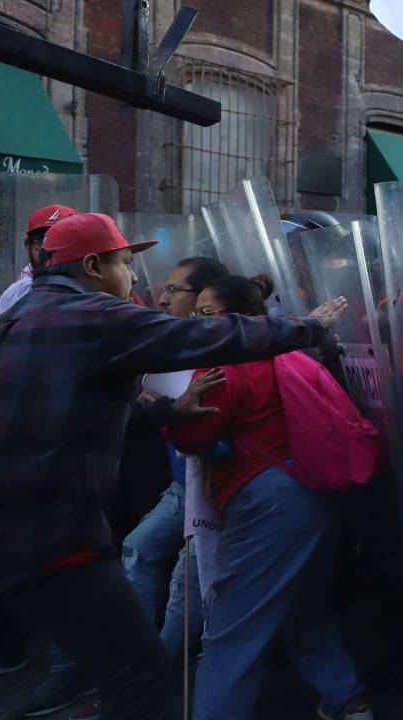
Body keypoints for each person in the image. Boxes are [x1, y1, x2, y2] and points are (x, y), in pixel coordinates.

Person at [0, 212, 348, 720]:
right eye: (124, 262)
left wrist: (165, 412)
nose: (135, 276)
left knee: (118, 666)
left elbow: (72, 404)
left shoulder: (12, 318)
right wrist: (307, 327)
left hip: (12, 533)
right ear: (92, 266)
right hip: (55, 537)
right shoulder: (96, 315)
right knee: (141, 681)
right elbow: (202, 339)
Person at [169, 274, 373, 720]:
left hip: (267, 503)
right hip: (316, 493)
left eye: (205, 313)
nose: (195, 321)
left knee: (232, 632)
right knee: (305, 607)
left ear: (238, 318)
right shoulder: (291, 354)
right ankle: (347, 701)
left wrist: (167, 411)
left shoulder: (226, 363)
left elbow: (192, 435)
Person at [120, 256, 231, 665]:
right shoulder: (168, 344)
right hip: (181, 484)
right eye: (163, 289)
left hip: (211, 485)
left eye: (174, 290)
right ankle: (136, 658)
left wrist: (171, 409)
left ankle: (157, 671)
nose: (162, 299)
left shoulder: (219, 352)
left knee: (187, 582)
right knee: (138, 548)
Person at [0, 203, 77, 322]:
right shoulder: (17, 294)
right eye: (41, 241)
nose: (49, 249)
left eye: (62, 240)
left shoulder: (95, 288)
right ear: (28, 246)